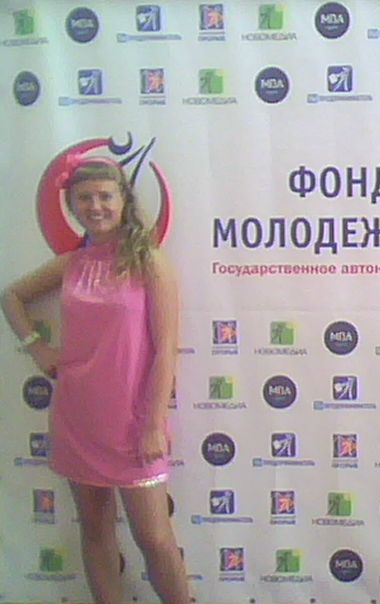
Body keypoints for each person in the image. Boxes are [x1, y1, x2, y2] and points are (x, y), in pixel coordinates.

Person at [1, 155, 190, 604]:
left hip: (133, 423)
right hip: (78, 417)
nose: (96, 206)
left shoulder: (149, 262)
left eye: (105, 196)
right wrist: (38, 348)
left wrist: (152, 424)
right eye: (84, 198)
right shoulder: (71, 264)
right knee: (95, 530)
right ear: (72, 206)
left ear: (124, 200)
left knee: (155, 538)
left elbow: (166, 349)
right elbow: (11, 296)